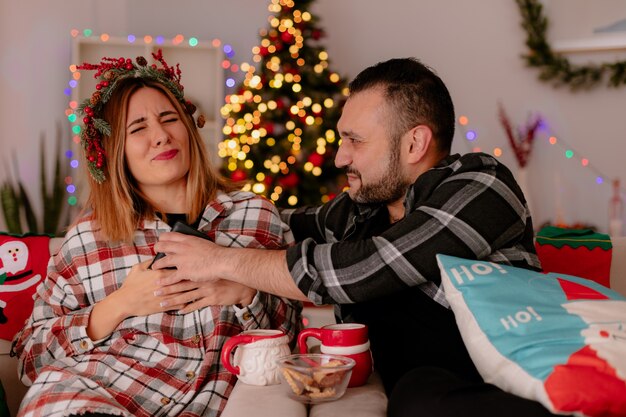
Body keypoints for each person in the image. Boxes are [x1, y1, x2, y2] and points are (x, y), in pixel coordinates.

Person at [153, 58, 563, 416]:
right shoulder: (360, 211)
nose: (340, 157)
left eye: (355, 141)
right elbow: (266, 222)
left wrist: (221, 261)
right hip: (412, 391)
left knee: (421, 396)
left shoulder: (482, 185)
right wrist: (163, 195)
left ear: (415, 143)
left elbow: (363, 268)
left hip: (511, 388)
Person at [12, 51, 301, 417]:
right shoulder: (87, 239)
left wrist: (245, 295)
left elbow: (291, 337)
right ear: (115, 152)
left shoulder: (252, 216)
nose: (161, 136)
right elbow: (29, 359)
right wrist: (119, 305)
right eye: (138, 129)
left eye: (169, 119)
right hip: (87, 396)